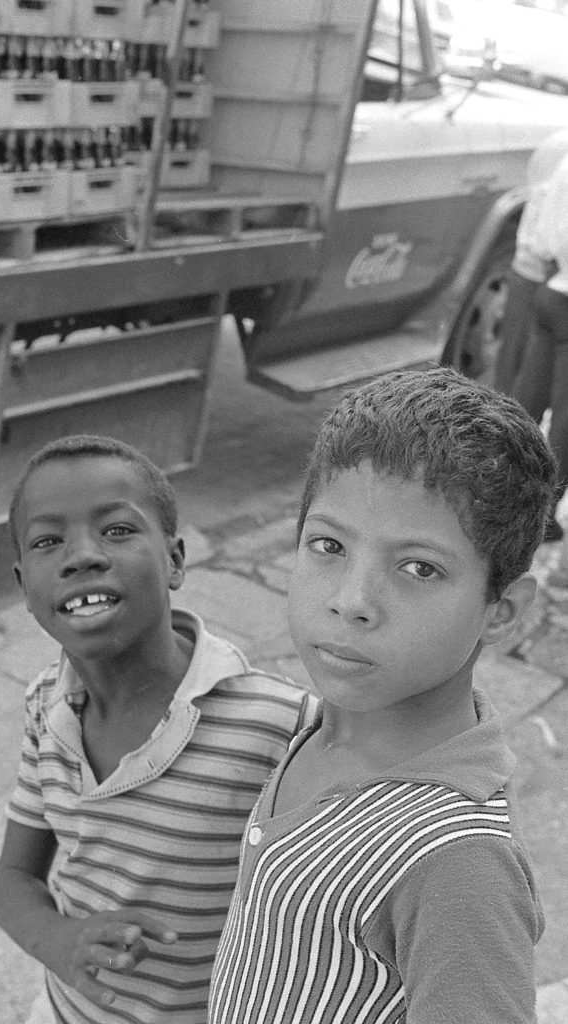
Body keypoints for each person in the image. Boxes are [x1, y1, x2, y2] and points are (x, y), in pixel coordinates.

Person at [208, 367, 556, 1024]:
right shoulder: (322, 725)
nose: (351, 600)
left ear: (503, 612)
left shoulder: (454, 862)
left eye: (419, 568)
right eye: (328, 545)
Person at [0, 434, 317, 1024]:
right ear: (24, 587)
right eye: (47, 541)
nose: (81, 556)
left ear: (175, 561)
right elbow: (14, 879)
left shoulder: (278, 726)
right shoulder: (47, 707)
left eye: (117, 530)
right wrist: (62, 942)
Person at [511, 147, 568, 542]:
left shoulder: (565, 161)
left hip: (551, 294)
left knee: (526, 401)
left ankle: (497, 492)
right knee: (566, 417)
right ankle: (543, 516)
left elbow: (544, 242)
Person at [495, 126, 568, 396]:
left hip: (541, 270)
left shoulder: (558, 145)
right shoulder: (560, 147)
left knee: (526, 379)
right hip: (539, 271)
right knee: (517, 375)